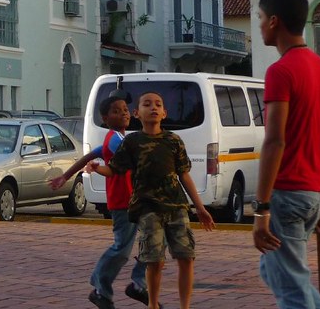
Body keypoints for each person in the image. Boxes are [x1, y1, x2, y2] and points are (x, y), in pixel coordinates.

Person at [88, 91, 215, 309]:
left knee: (186, 257)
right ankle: (152, 304)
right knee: (154, 261)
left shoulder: (173, 141)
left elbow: (184, 175)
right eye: (147, 104)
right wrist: (97, 168)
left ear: (164, 113)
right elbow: (115, 169)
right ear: (138, 113)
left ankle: (185, 306)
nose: (153, 108)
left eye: (158, 104)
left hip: (176, 208)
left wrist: (200, 207)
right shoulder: (132, 142)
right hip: (147, 209)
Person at [251, 0, 320, 308]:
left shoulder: (280, 71)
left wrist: (261, 208)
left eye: (260, 17)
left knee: (294, 294)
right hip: (313, 192)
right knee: (275, 270)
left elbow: (275, 140)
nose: (259, 24)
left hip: (287, 193)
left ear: (274, 22)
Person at [49, 94, 155, 309]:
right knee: (122, 249)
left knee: (154, 240)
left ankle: (137, 284)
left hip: (135, 200)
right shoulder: (115, 140)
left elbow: (89, 156)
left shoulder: (118, 137)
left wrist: (66, 176)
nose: (124, 113)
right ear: (106, 119)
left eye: (125, 109)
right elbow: (134, 161)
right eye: (117, 111)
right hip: (123, 202)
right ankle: (101, 289)